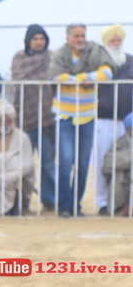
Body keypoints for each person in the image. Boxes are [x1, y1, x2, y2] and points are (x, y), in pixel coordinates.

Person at [47, 23, 115, 217]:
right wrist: (84, 81)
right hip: (65, 116)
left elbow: (107, 73)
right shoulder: (60, 54)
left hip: (87, 116)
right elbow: (55, 77)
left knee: (83, 164)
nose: (80, 39)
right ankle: (64, 205)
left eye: (82, 35)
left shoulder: (95, 51)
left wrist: (82, 77)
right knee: (66, 160)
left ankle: (75, 205)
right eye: (76, 36)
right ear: (68, 38)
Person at [9, 25, 56, 212]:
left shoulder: (52, 57)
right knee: (24, 164)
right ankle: (22, 201)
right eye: (35, 38)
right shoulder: (19, 57)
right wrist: (42, 76)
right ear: (28, 40)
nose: (39, 42)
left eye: (42, 38)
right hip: (24, 118)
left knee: (48, 163)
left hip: (47, 119)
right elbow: (18, 76)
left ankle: (49, 200)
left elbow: (54, 76)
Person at [93, 24, 133, 214]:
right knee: (102, 161)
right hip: (103, 120)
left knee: (127, 161)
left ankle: (126, 202)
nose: (116, 43)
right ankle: (103, 202)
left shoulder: (131, 62)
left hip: (128, 122)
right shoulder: (98, 64)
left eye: (118, 40)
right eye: (112, 40)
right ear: (105, 43)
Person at [0, 99, 35, 216]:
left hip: (16, 176)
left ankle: (14, 205)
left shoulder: (22, 137)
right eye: (2, 120)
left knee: (11, 172)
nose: (6, 124)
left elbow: (28, 164)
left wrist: (12, 173)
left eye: (9, 121)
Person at [101, 112, 132, 216]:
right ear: (129, 129)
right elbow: (108, 163)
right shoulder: (120, 142)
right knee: (118, 174)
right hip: (124, 177)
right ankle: (120, 208)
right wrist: (130, 157)